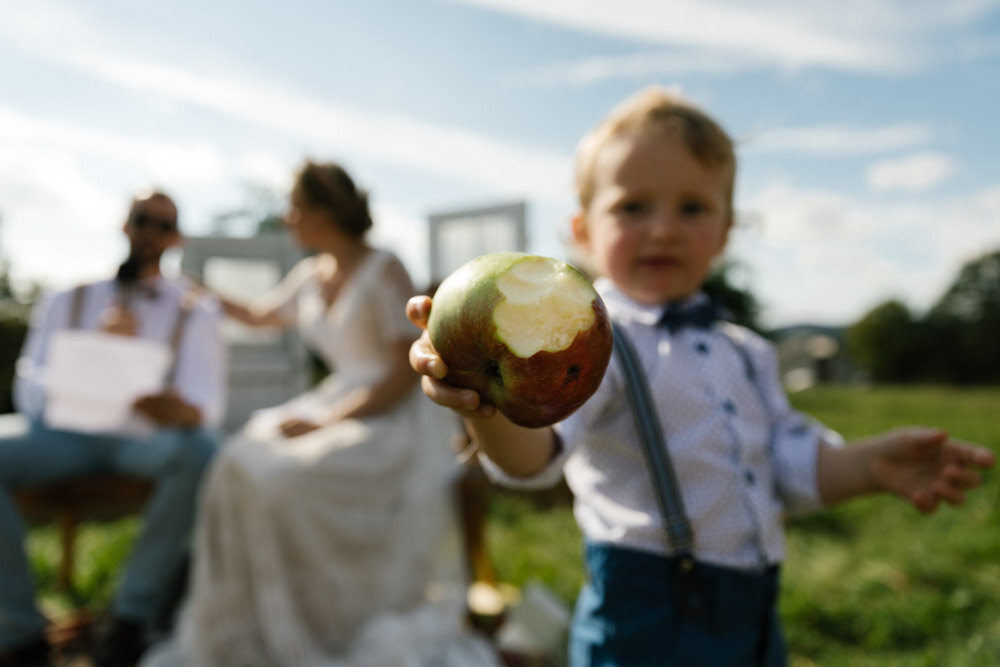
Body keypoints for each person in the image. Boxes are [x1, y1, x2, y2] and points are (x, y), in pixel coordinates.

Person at [406, 86, 997, 666]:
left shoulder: (746, 351)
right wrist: (486, 406)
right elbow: (534, 456)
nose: (663, 228)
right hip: (646, 621)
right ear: (583, 231)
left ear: (725, 232)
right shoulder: (587, 347)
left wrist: (870, 466)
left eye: (692, 207)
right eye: (633, 207)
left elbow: (785, 463)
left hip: (753, 616)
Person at [142, 160, 501, 667]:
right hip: (335, 401)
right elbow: (259, 316)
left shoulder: (384, 267)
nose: (286, 219)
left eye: (293, 208)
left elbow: (403, 369)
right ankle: (262, 612)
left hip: (393, 415)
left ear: (321, 211)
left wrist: (329, 422)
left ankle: (332, 614)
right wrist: (191, 284)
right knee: (236, 462)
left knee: (285, 478)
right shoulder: (310, 273)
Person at [0, 189, 227, 667]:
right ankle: (21, 631)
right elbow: (29, 392)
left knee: (202, 450)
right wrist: (93, 355)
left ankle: (128, 620)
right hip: (63, 437)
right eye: (143, 220)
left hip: (143, 441)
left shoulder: (198, 310)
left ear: (176, 238)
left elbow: (207, 404)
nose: (151, 233)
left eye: (164, 225)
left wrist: (181, 410)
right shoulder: (68, 298)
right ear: (125, 225)